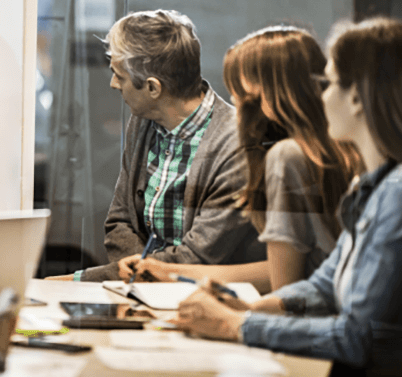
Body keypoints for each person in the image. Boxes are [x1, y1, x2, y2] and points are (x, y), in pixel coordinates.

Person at [171, 18, 402, 377]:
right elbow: (322, 285)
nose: (322, 97)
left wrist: (233, 324)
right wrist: (249, 309)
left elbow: (354, 336)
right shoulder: (375, 181)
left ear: (356, 98)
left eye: (330, 83)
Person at [124, 27, 359, 292]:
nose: (236, 103)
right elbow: (284, 268)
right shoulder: (342, 154)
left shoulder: (288, 157)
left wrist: (232, 317)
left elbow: (285, 286)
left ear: (270, 90)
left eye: (240, 91)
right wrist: (169, 271)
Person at [47, 10, 264, 282]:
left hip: (196, 297)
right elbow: (119, 221)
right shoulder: (143, 121)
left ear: (152, 88)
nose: (113, 84)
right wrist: (134, 277)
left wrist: (87, 278)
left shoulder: (238, 144)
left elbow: (197, 257)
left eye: (119, 76)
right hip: (137, 288)